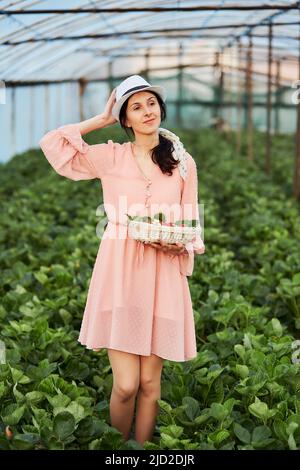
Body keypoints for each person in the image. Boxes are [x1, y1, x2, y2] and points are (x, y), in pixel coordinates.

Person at [39, 74, 205, 446]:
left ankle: (141, 451)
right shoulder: (111, 156)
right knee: (127, 384)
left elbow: (192, 221)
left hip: (163, 272)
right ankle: (117, 450)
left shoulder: (181, 161)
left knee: (149, 383)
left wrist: (182, 246)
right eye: (136, 106)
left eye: (151, 103)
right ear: (125, 119)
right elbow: (53, 144)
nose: (148, 111)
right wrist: (100, 120)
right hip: (120, 269)